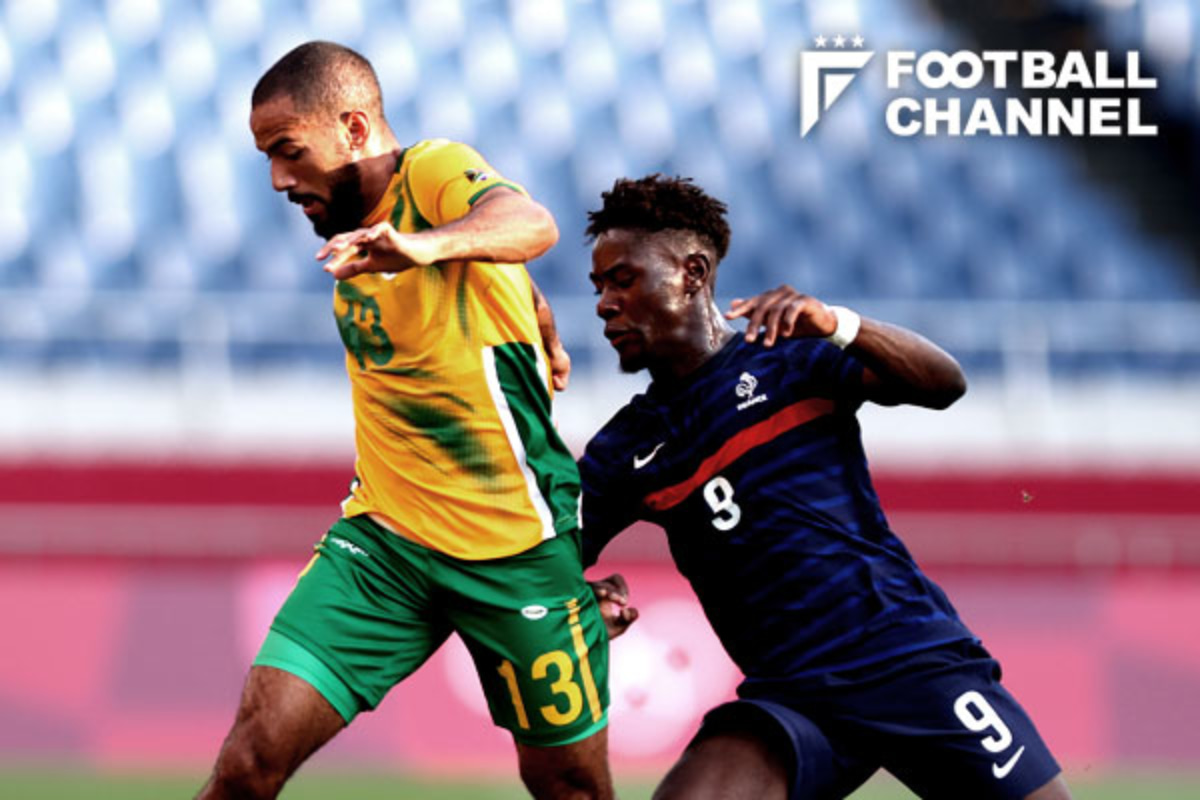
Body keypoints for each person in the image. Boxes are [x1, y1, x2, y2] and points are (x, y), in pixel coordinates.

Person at [198, 41, 615, 799]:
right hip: (384, 545)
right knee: (247, 764)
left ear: (354, 129)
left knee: (572, 790)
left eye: (289, 151)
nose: (279, 180)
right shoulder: (356, 241)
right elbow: (498, 275)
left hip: (514, 549)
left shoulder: (431, 175)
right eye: (268, 159)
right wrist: (538, 319)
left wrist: (420, 247)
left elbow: (530, 222)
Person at [578, 175, 1073, 800]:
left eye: (623, 280)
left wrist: (839, 324)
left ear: (692, 272)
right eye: (599, 287)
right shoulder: (625, 448)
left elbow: (944, 383)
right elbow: (543, 560)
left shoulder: (790, 359)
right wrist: (577, 602)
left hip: (906, 658)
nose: (605, 303)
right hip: (792, 699)